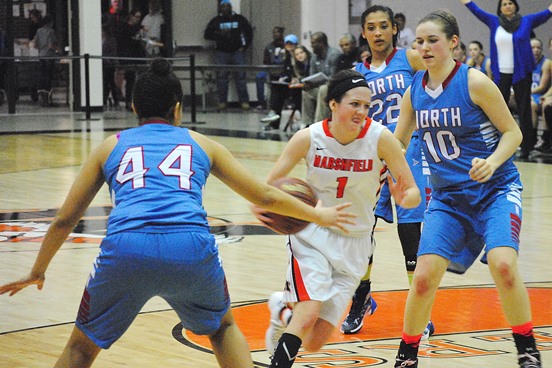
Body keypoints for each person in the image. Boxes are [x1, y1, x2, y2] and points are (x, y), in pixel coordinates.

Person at [0, 58, 355, 368]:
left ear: (134, 108)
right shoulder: (202, 143)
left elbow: (65, 218)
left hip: (126, 249)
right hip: (190, 246)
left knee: (80, 349)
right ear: (179, 109)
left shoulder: (111, 145)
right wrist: (317, 216)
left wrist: (37, 269)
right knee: (223, 328)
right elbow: (264, 194)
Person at [393, 10, 542, 368]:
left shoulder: (474, 81)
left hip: (495, 190)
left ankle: (526, 347)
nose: (425, 47)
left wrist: (491, 162)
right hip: (448, 198)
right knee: (425, 276)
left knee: (504, 266)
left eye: (433, 40)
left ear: (453, 43)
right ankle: (407, 353)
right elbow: (397, 142)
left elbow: (514, 133)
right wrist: (377, 166)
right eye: (420, 41)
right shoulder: (415, 88)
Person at [264, 69, 421, 368]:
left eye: (366, 105)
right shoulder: (308, 137)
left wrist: (405, 197)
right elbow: (271, 184)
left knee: (314, 341)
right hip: (311, 235)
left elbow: (411, 189)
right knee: (308, 313)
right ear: (333, 104)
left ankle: (281, 311)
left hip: (357, 243)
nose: (362, 111)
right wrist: (267, 206)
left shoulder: (380, 138)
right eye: (355, 104)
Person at [343, 4, 433, 338]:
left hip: (409, 156)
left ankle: (419, 311)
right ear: (363, 33)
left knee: (411, 237)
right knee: (361, 235)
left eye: (384, 26)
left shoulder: (410, 59)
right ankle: (362, 296)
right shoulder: (356, 72)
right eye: (372, 27)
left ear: (394, 29)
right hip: (371, 160)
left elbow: (441, 79)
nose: (378, 33)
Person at [459, 0, 552, 160]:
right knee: (496, 110)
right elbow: (477, 11)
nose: (507, 6)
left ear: (515, 6)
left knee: (524, 111)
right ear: (500, 8)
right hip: (501, 74)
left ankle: (526, 149)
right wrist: (467, 2)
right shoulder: (494, 21)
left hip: (522, 73)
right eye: (504, 4)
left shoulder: (526, 21)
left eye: (510, 3)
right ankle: (496, 146)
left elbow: (545, 14)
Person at [204, 0, 253, 111]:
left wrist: (244, 47)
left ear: (231, 7)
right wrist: (219, 34)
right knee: (221, 78)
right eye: (223, 7)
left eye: (227, 6)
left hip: (238, 52)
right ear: (220, 8)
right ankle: (222, 102)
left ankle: (244, 101)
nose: (225, 8)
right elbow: (207, 34)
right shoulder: (216, 21)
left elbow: (249, 33)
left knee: (240, 77)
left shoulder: (240, 19)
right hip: (222, 52)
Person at [260, 35, 307, 131]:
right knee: (277, 87)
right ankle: (274, 117)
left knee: (292, 93)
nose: (289, 46)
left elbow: (305, 73)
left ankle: (304, 122)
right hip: (293, 85)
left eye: (291, 44)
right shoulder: (287, 57)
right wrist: (285, 78)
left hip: (303, 86)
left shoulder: (302, 57)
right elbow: (287, 72)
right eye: (287, 44)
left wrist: (298, 79)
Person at [314, 33, 363, 123]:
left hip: (357, 85)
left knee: (323, 89)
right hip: (341, 86)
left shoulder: (361, 54)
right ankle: (316, 123)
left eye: (346, 45)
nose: (344, 47)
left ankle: (321, 121)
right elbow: (336, 75)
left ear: (354, 43)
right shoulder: (341, 58)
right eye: (342, 46)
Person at [300, 31, 341, 127]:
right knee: (307, 91)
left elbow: (334, 77)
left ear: (322, 43)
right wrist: (309, 83)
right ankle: (307, 123)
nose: (311, 45)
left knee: (323, 89)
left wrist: (320, 82)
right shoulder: (314, 57)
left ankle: (319, 123)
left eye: (313, 43)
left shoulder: (334, 55)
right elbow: (312, 75)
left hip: (334, 88)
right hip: (320, 86)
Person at [115, 8, 145, 111]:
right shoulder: (124, 27)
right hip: (128, 56)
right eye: (136, 16)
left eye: (139, 17)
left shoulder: (138, 28)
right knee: (130, 79)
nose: (137, 19)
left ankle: (138, 101)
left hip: (138, 56)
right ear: (131, 16)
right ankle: (129, 101)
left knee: (140, 79)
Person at [256, 26, 286, 111]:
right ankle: (261, 103)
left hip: (283, 70)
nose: (275, 34)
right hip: (269, 69)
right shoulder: (269, 47)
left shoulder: (286, 46)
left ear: (281, 34)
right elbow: (265, 61)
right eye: (273, 32)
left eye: (277, 32)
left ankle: (286, 101)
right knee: (259, 77)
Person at [32, 14, 59, 107]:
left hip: (41, 56)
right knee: (49, 76)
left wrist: (41, 48)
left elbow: (34, 45)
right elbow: (51, 45)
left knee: (42, 76)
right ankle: (47, 99)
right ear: (50, 22)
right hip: (49, 56)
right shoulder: (51, 31)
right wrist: (58, 49)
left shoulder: (38, 31)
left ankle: (41, 98)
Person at [530, 38, 551, 150]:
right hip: (528, 95)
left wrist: (524, 93)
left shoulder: (546, 63)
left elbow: (543, 86)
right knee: (506, 99)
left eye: (538, 48)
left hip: (538, 95)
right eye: (533, 48)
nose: (536, 50)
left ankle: (540, 139)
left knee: (533, 105)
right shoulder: (524, 62)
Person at [102, 25, 120, 107]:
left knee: (111, 82)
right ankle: (105, 99)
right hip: (105, 64)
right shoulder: (103, 40)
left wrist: (109, 61)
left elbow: (113, 53)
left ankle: (115, 99)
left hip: (109, 65)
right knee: (107, 82)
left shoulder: (111, 40)